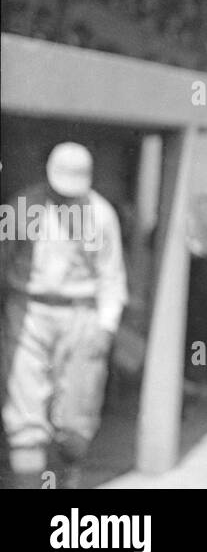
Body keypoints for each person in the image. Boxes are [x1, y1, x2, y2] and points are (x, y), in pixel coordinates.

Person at [0, 143, 127, 489]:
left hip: (81, 315)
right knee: (25, 419)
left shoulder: (100, 215)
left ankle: (66, 489)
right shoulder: (23, 208)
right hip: (29, 311)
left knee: (75, 421)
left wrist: (106, 327)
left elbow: (112, 276)